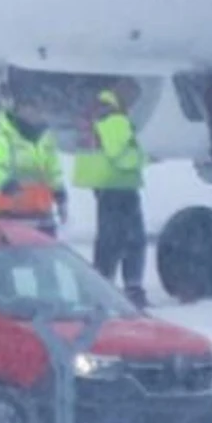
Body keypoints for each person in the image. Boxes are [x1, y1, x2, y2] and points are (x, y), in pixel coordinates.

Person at [74, 82, 149, 305]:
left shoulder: (99, 111)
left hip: (105, 184)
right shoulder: (115, 118)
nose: (134, 104)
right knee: (133, 239)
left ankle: (101, 286)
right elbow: (119, 154)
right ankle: (131, 289)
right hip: (119, 183)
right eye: (133, 98)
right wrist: (142, 158)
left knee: (109, 239)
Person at [0, 100, 66, 234]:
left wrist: (60, 194)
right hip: (12, 213)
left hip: (42, 213)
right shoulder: (4, 136)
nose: (35, 113)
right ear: (19, 110)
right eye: (30, 108)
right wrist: (6, 184)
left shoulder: (46, 138)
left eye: (39, 109)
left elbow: (53, 170)